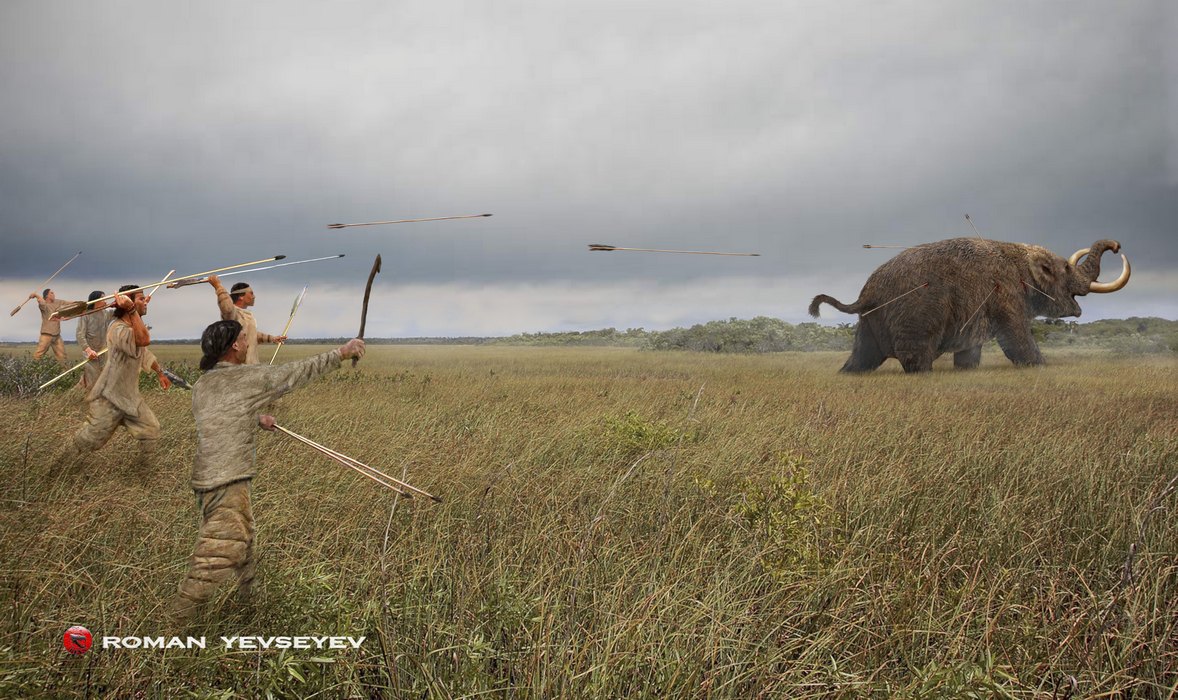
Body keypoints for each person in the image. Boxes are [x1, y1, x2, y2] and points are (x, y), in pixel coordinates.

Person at [170, 320, 364, 621]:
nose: (248, 342)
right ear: (234, 345)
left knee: (244, 547)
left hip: (207, 480)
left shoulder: (203, 383)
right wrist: (341, 352)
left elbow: (221, 413)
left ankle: (253, 613)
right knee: (216, 558)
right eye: (244, 338)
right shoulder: (246, 378)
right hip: (228, 479)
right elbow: (294, 374)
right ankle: (175, 627)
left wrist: (254, 416)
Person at [53, 285, 171, 472]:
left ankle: (144, 474)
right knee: (88, 441)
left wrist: (160, 372)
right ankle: (56, 470)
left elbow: (143, 352)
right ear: (128, 304)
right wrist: (133, 309)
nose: (146, 300)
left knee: (151, 430)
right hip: (110, 398)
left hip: (129, 398)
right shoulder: (117, 330)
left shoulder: (131, 326)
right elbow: (143, 340)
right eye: (140, 298)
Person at [206, 275, 286, 364]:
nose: (254, 296)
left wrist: (272, 338)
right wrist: (218, 286)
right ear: (241, 296)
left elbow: (251, 335)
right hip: (239, 369)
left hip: (251, 367)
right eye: (251, 293)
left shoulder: (246, 314)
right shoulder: (233, 314)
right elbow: (227, 308)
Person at [30, 288, 80, 367]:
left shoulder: (58, 302)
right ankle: (32, 371)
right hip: (46, 335)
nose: (54, 294)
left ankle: (66, 374)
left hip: (57, 335)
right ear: (47, 296)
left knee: (62, 356)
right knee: (38, 355)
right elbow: (41, 302)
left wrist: (80, 303)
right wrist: (36, 295)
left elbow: (68, 303)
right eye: (52, 293)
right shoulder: (44, 305)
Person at [75, 290, 114, 390]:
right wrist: (88, 351)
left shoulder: (106, 313)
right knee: (93, 381)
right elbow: (80, 334)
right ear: (96, 301)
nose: (105, 301)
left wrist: (118, 303)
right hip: (89, 352)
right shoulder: (85, 315)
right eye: (103, 299)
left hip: (101, 351)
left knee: (102, 378)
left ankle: (75, 395)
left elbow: (121, 312)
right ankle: (90, 402)